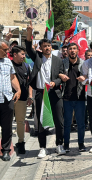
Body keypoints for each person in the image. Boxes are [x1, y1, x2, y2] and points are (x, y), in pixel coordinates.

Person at [25, 21, 65, 159]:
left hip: (55, 93)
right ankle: (42, 148)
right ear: (41, 48)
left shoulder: (58, 60)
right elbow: (28, 46)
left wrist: (55, 82)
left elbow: (60, 76)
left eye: (49, 46)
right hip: (41, 93)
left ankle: (59, 145)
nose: (47, 48)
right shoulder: (37, 58)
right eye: (44, 46)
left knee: (59, 121)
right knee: (42, 121)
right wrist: (29, 32)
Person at [59, 43, 86, 152]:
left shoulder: (83, 63)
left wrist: (85, 77)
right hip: (66, 97)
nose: (72, 51)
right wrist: (61, 75)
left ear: (78, 51)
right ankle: (66, 145)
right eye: (70, 49)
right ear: (67, 51)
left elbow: (88, 75)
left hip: (80, 97)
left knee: (80, 123)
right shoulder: (63, 63)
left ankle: (81, 144)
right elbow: (57, 73)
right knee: (67, 123)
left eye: (74, 49)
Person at [11, 46, 33, 154]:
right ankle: (6, 143)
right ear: (15, 54)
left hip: (23, 98)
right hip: (9, 98)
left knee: (20, 121)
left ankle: (21, 142)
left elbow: (29, 83)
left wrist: (30, 96)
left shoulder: (26, 66)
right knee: (6, 122)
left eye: (24, 54)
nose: (24, 56)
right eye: (22, 54)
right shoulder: (8, 65)